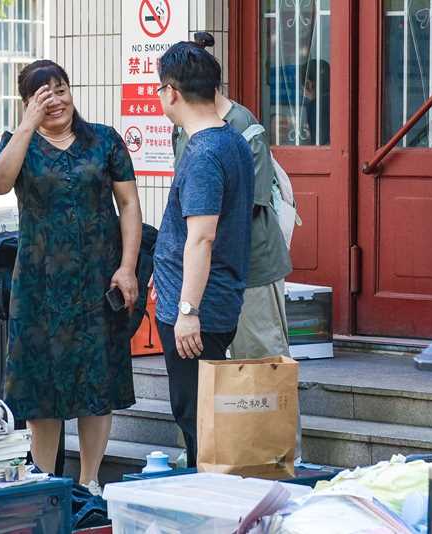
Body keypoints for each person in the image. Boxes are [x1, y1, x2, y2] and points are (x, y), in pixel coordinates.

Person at [0, 60, 142, 495]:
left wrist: (127, 267)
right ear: (27, 103)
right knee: (41, 386)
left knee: (98, 379)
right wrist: (26, 126)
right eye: (42, 95)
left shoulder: (104, 140)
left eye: (60, 90)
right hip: (39, 284)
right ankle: (45, 485)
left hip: (98, 280)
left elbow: (129, 205)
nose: (55, 100)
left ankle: (90, 481)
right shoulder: (18, 143)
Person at [151, 41, 255, 468]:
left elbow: (202, 238)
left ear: (172, 92)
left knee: (197, 418)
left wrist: (188, 310)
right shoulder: (231, 140)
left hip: (199, 311)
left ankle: (206, 494)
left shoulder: (205, 153)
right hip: (208, 300)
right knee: (202, 415)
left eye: (161, 88)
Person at [174, 33, 293, 362]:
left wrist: (199, 246)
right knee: (217, 371)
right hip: (207, 267)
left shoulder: (244, 127)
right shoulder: (182, 127)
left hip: (251, 266)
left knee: (260, 364)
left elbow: (247, 206)